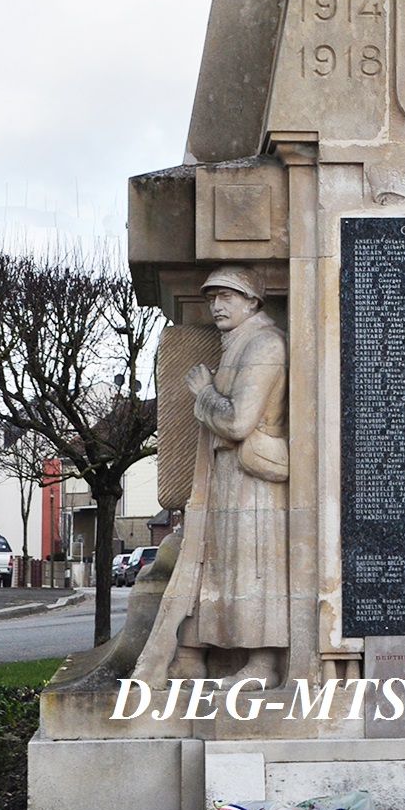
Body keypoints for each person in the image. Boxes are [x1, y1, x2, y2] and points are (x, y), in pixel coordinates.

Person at [138, 265, 290, 684]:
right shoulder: (239, 342)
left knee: (254, 569)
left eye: (228, 296)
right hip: (229, 481)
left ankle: (262, 663)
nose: (217, 305)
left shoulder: (264, 345)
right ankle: (192, 655)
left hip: (254, 483)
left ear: (253, 301)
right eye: (212, 298)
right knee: (215, 566)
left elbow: (239, 422)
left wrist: (203, 393)